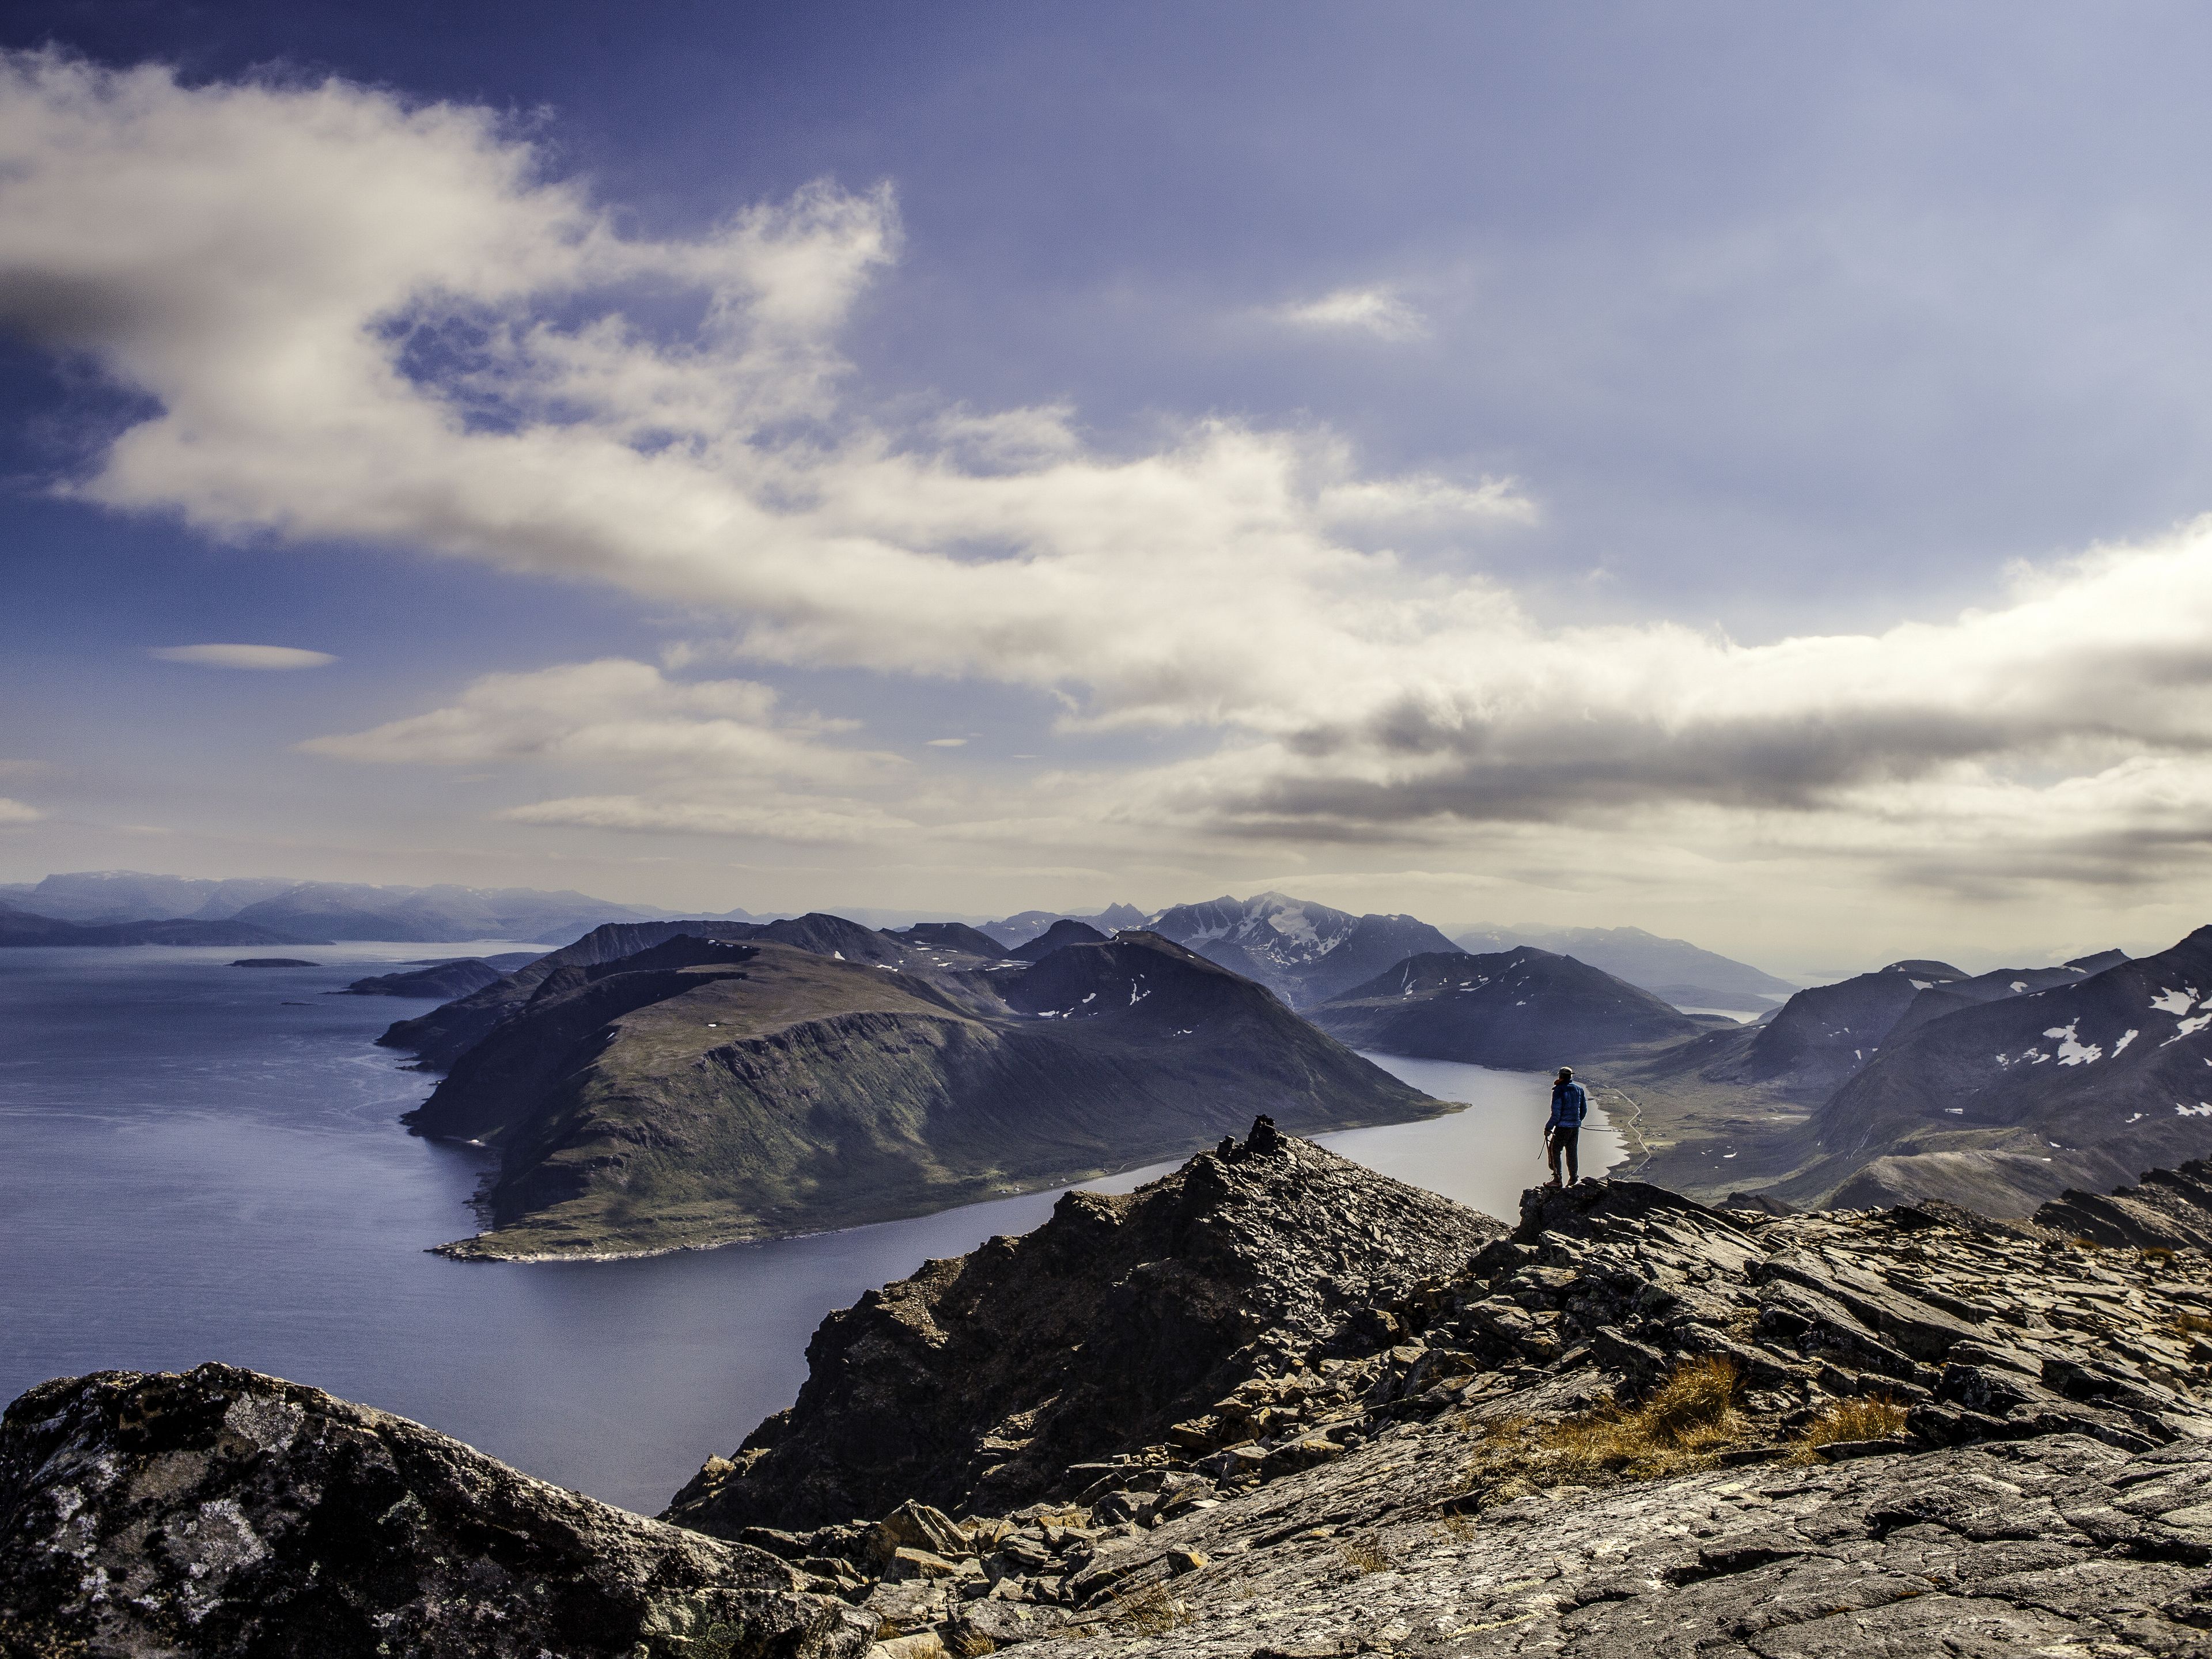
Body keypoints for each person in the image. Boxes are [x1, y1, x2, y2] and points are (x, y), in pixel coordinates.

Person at [1544, 1066, 1589, 1188]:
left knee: (1555, 1150)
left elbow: (1556, 1114)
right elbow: (1584, 1110)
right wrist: (1577, 1121)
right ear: (1571, 1077)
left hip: (1562, 1128)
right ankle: (1573, 1179)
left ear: (1561, 1077)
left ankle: (1557, 1180)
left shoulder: (1559, 1090)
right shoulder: (1579, 1090)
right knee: (1572, 1152)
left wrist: (1548, 1128)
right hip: (1575, 1128)